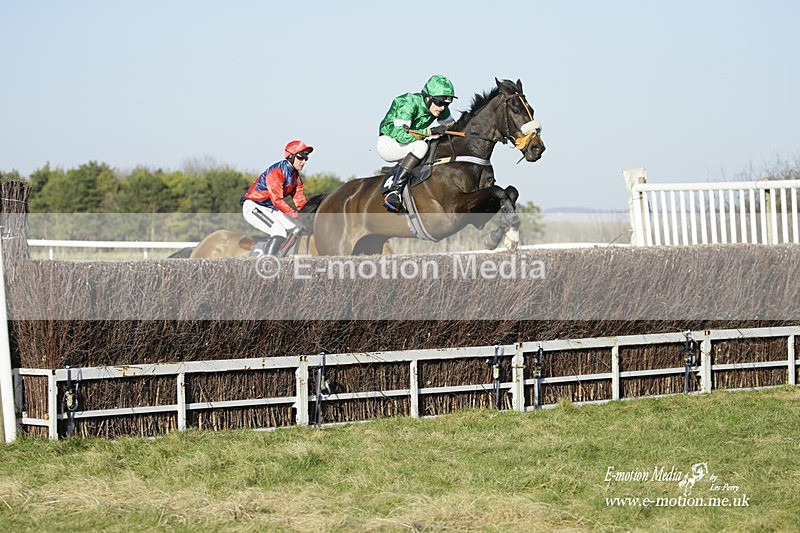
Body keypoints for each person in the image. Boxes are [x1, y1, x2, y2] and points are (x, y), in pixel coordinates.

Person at [377, 74, 458, 213]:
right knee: (422, 145)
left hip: (409, 144)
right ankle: (394, 192)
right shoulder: (407, 103)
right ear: (427, 98)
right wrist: (431, 131)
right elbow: (401, 135)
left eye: (446, 104)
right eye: (439, 103)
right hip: (389, 142)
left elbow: (455, 129)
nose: (442, 108)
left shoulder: (441, 109)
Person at [240, 140, 312, 256]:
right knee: (279, 232)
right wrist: (294, 214)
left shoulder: (296, 178)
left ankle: (281, 256)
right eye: (300, 158)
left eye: (306, 158)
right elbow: (277, 200)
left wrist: (308, 214)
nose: (303, 162)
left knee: (296, 228)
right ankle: (269, 265)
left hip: (270, 208)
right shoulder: (277, 172)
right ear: (290, 156)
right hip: (254, 206)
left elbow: (300, 200)